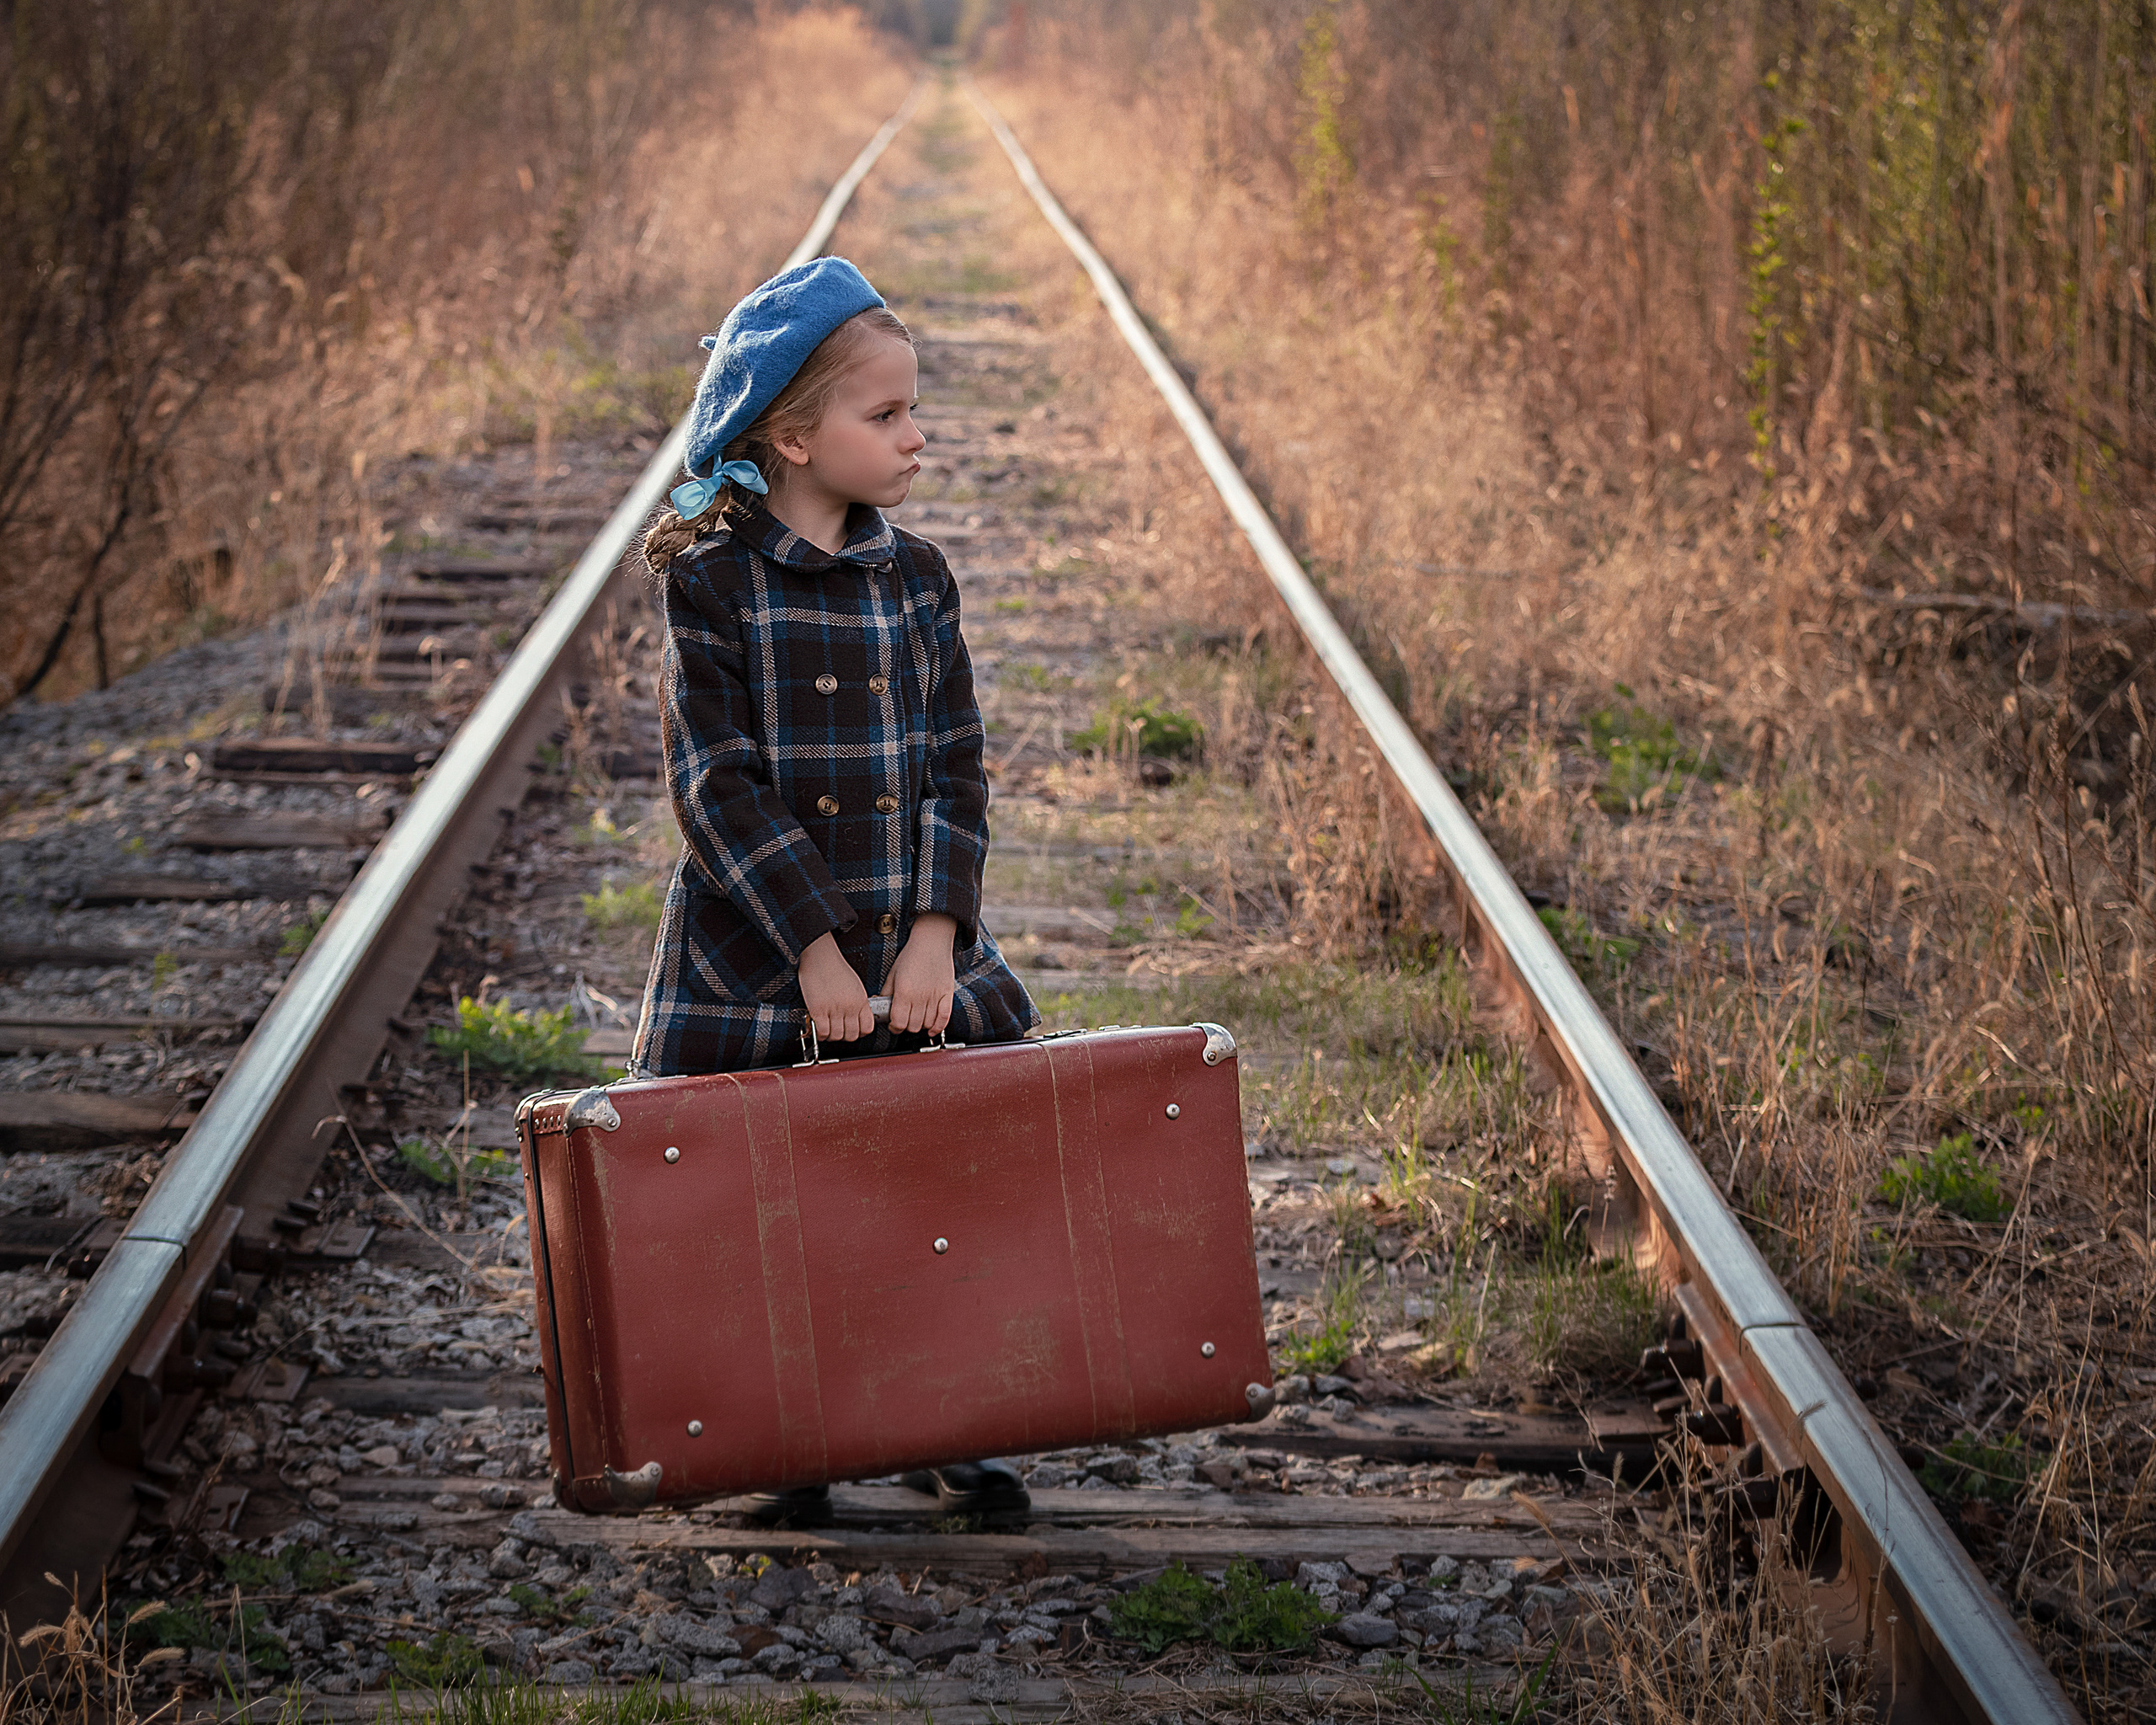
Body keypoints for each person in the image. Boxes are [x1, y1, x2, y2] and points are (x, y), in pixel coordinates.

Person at [634, 256, 1038, 1524]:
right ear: (793, 435)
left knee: (928, 1182)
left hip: (908, 955)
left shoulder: (917, 582)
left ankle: (939, 1417)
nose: (917, 438)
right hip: (763, 954)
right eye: (887, 416)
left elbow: (956, 771)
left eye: (917, 411)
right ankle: (788, 1437)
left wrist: (933, 938)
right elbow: (718, 788)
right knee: (772, 1198)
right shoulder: (710, 585)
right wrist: (816, 951)